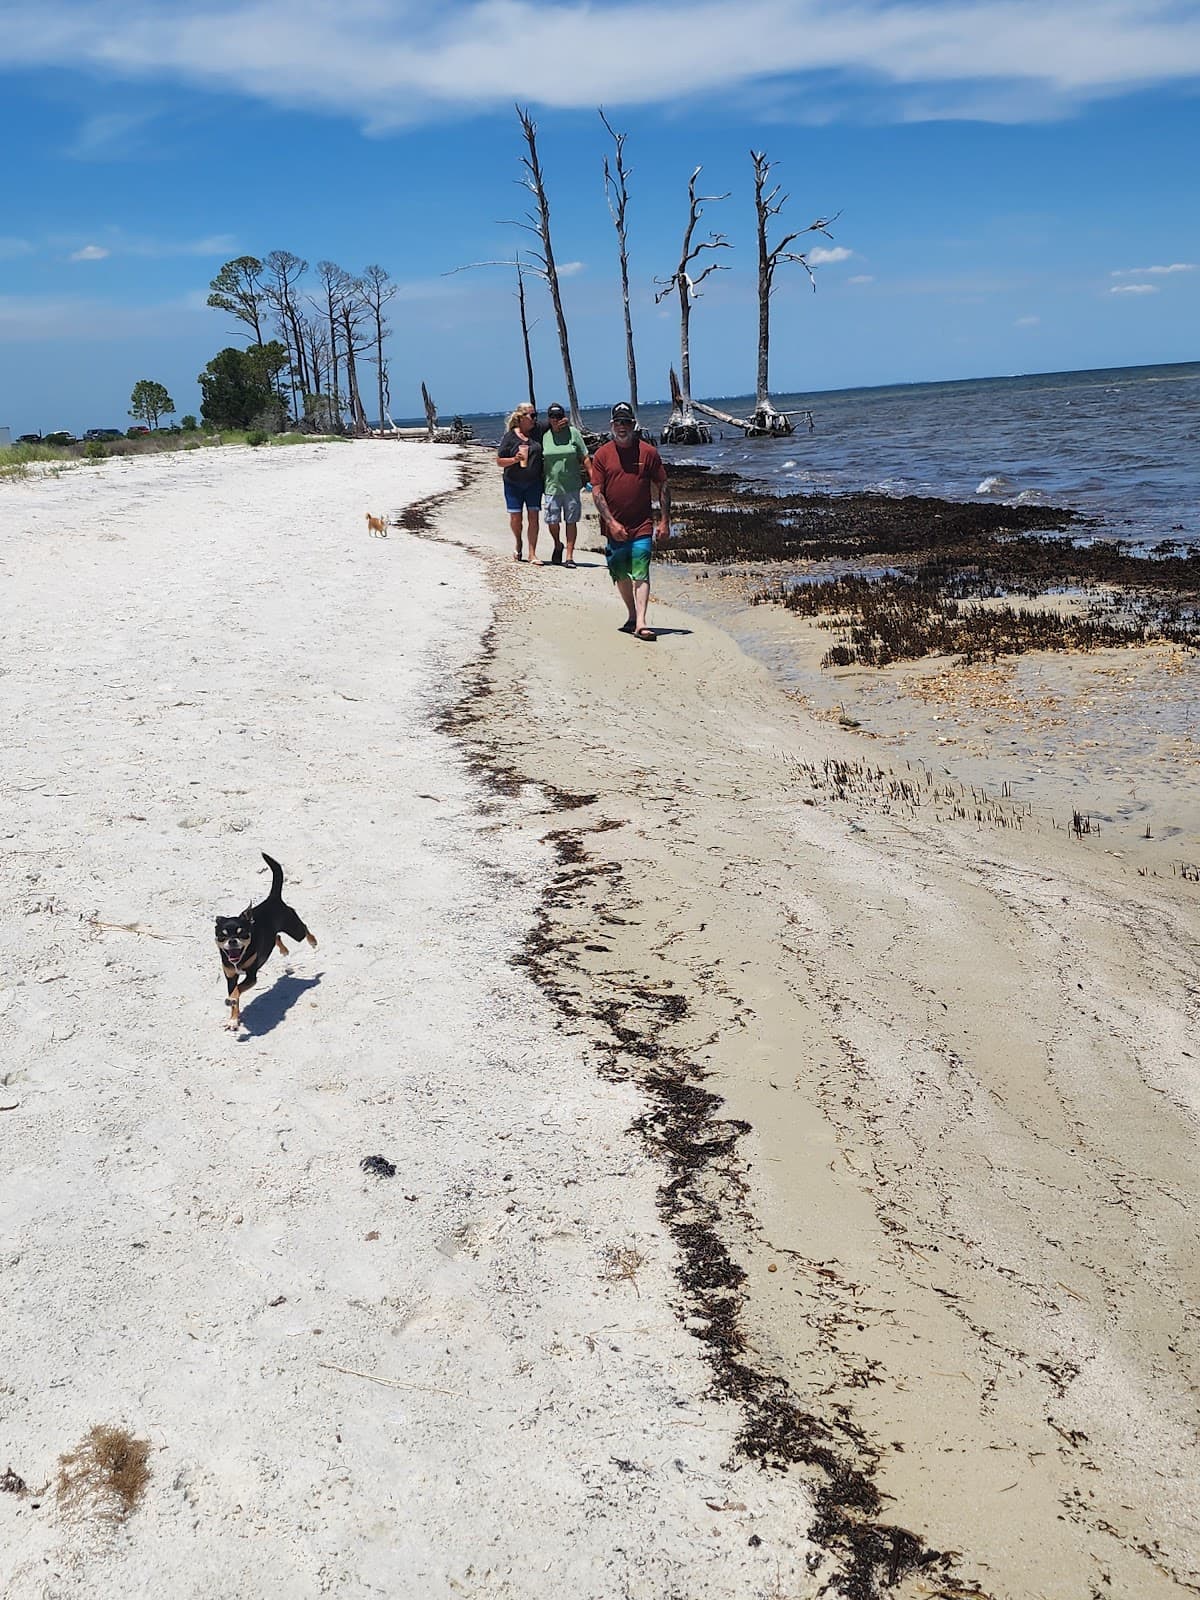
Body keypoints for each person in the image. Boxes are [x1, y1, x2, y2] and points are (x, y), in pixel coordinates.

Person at [588, 401, 670, 642]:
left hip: (642, 524)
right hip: (614, 526)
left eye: (626, 422)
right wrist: (611, 522)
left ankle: (642, 622)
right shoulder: (602, 455)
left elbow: (663, 485)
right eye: (618, 422)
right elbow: (596, 492)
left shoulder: (648, 453)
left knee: (641, 570)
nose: (622, 427)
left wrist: (664, 521)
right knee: (620, 572)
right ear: (611, 425)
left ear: (633, 425)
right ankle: (632, 614)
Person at [540, 402, 590, 567]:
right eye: (552, 417)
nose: (556, 420)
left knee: (571, 520)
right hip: (551, 486)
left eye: (559, 416)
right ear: (548, 419)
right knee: (552, 521)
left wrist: (593, 477)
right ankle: (557, 544)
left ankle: (569, 556)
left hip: (572, 486)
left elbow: (585, 457)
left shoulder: (573, 433)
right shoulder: (544, 434)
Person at [495, 403, 544, 563]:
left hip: (533, 483)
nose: (535, 419)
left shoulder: (536, 432)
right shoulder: (510, 437)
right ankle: (518, 541)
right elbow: (499, 461)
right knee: (516, 518)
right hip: (513, 483)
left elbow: (555, 422)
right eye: (532, 416)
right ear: (522, 418)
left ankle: (532, 553)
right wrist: (514, 459)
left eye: (536, 415)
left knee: (533, 517)